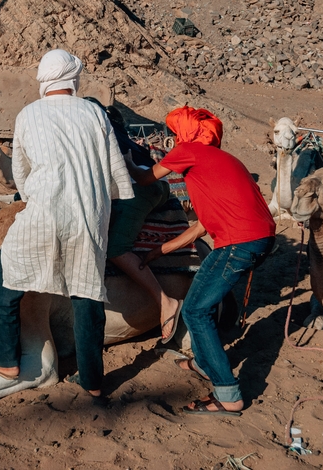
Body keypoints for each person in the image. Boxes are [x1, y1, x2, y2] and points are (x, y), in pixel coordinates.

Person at [0, 49, 134, 398]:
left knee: (1, 282)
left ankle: (6, 361)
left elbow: (20, 173)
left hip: (43, 216)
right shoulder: (95, 113)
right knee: (86, 296)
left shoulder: (28, 115)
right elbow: (114, 172)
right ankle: (94, 383)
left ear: (45, 82)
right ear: (72, 79)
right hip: (86, 217)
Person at [125, 105, 276, 416]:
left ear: (186, 133)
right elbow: (201, 226)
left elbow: (144, 179)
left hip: (239, 242)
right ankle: (204, 362)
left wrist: (123, 157)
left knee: (196, 311)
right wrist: (157, 252)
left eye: (176, 133)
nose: (174, 139)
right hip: (258, 238)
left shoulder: (189, 151)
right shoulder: (221, 161)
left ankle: (227, 393)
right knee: (200, 302)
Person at [84, 98, 182, 343]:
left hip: (140, 189)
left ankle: (165, 301)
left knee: (115, 247)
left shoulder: (98, 133)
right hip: (153, 185)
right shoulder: (115, 131)